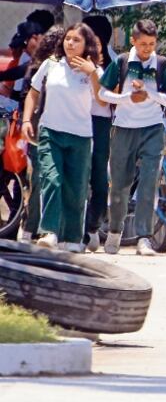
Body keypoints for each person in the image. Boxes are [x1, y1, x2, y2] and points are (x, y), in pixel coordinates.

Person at [21, 23, 106, 251]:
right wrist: (27, 120)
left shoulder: (94, 71)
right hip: (51, 132)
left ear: (86, 44)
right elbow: (33, 92)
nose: (70, 43)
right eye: (68, 39)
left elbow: (103, 101)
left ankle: (72, 238)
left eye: (76, 40)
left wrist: (92, 73)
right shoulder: (51, 64)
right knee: (51, 179)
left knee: (76, 188)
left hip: (80, 136)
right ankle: (49, 231)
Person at [98, 20, 166, 256]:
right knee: (120, 184)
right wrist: (126, 98)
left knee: (149, 181)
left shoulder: (162, 64)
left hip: (153, 128)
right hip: (124, 127)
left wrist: (150, 94)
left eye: (152, 44)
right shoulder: (122, 62)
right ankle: (114, 231)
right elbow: (102, 93)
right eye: (143, 44)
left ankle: (145, 236)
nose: (147, 49)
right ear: (133, 41)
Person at [17, 26, 64, 243]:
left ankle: (32, 228)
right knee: (41, 179)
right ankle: (33, 227)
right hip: (42, 129)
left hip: (38, 130)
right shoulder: (44, 69)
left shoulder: (36, 67)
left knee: (38, 179)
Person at [81, 15, 115, 252]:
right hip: (77, 121)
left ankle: (93, 225)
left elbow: (108, 102)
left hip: (101, 125)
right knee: (79, 178)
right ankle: (80, 231)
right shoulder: (74, 62)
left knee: (100, 183)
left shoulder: (112, 65)